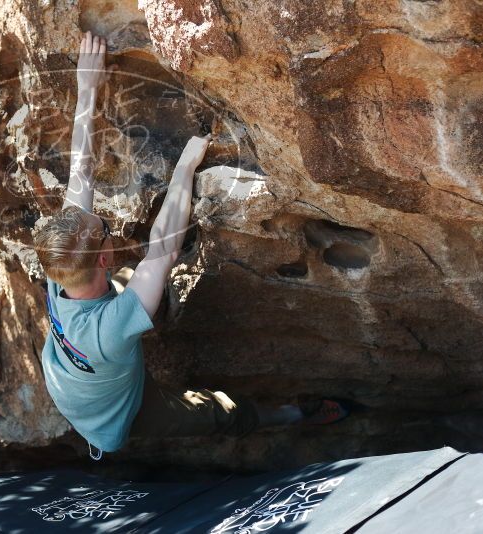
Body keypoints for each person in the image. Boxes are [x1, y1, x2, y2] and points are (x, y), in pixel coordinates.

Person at [32, 31, 348, 460]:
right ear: (103, 257)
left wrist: (88, 85)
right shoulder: (109, 328)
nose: (97, 217)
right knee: (217, 412)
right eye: (103, 226)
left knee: (146, 284)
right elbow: (161, 248)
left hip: (75, 372)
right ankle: (293, 414)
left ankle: (158, 300)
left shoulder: (60, 268)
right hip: (118, 416)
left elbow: (81, 172)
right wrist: (184, 168)